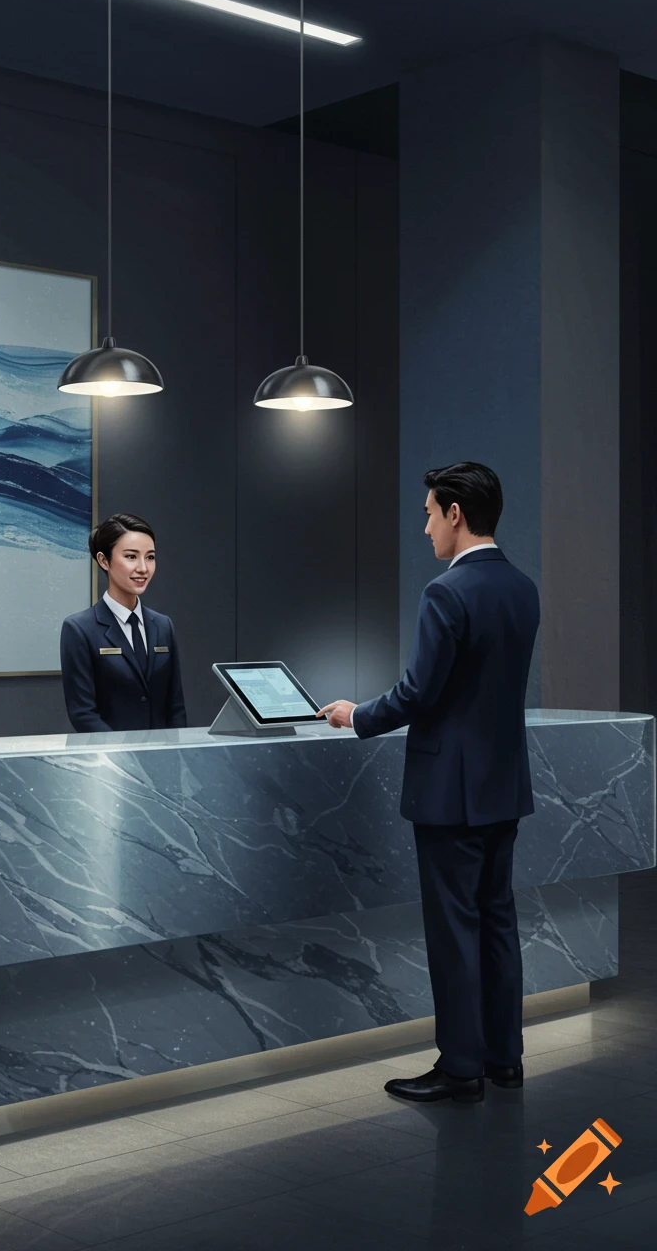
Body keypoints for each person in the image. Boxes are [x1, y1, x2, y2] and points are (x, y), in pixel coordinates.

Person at [319, 462, 540, 1104]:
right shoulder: (522, 588)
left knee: (453, 930)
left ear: (454, 514)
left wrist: (355, 715)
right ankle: (505, 1059)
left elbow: (419, 692)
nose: (424, 527)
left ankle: (461, 1066)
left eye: (427, 513)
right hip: (504, 786)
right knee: (497, 923)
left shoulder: (447, 593)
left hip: (451, 792)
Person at [61, 513, 186, 732]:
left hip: (164, 759)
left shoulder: (163, 625)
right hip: (111, 760)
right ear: (103, 560)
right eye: (131, 557)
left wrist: (174, 756)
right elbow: (83, 714)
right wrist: (126, 758)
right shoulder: (79, 629)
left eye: (150, 557)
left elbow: (175, 707)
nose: (143, 568)